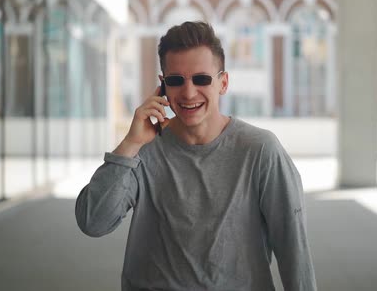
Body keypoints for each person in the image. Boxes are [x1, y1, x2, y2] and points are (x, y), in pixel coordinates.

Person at [75, 21, 317, 290]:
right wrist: (130, 143)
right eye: (176, 81)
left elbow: (293, 248)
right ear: (163, 86)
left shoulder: (260, 150)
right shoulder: (142, 150)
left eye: (201, 79)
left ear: (223, 83)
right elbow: (92, 222)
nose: (189, 92)